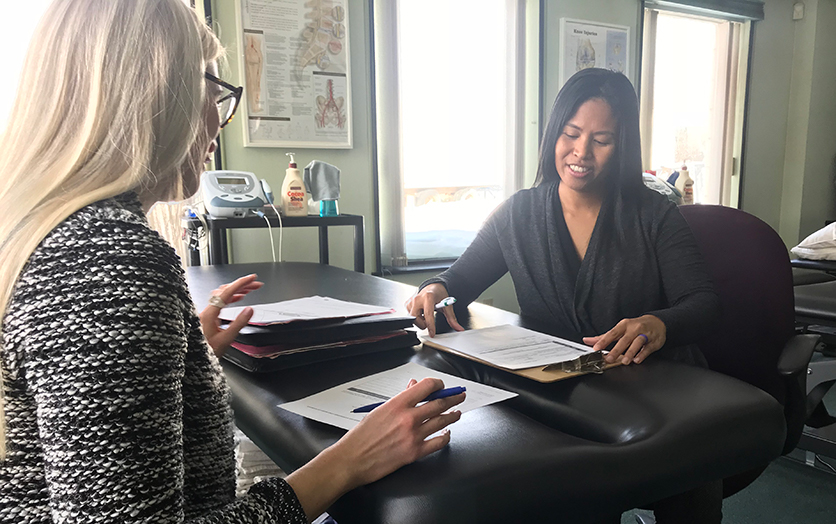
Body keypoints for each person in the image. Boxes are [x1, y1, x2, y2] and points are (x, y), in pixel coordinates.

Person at [0, 1, 464, 523]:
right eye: (212, 90)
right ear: (154, 92)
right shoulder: (106, 263)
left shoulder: (40, 234)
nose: (219, 119)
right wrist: (348, 462)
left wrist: (182, 357)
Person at [407, 68, 723, 523]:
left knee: (685, 484)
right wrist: (432, 288)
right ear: (554, 134)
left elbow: (704, 304)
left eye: (601, 139)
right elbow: (457, 280)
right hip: (561, 395)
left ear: (623, 145)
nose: (580, 153)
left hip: (657, 395)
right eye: (570, 134)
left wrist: (658, 324)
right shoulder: (519, 213)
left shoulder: (654, 215)